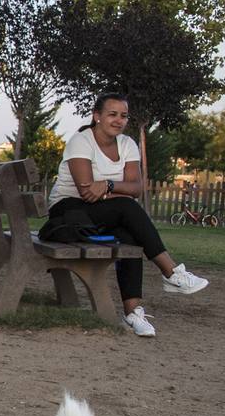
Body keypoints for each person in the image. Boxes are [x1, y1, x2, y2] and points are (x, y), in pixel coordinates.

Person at [46, 92, 209, 338]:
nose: (118, 120)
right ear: (97, 116)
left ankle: (132, 312)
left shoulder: (127, 144)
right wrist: (119, 191)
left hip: (104, 213)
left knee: (130, 234)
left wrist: (109, 186)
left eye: (123, 115)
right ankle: (171, 273)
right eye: (112, 114)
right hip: (68, 211)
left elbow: (137, 188)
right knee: (127, 207)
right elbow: (86, 191)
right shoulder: (81, 141)